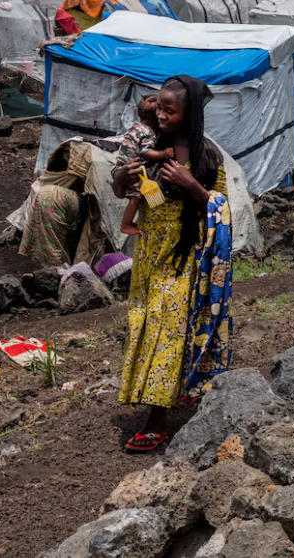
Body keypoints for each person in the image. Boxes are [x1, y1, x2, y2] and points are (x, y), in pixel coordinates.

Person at [112, 75, 234, 453]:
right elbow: (123, 191)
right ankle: (171, 393)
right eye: (159, 108)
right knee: (148, 327)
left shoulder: (207, 156)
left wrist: (192, 185)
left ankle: (156, 420)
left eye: (170, 109)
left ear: (189, 113)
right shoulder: (151, 146)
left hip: (187, 256)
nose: (161, 115)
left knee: (168, 327)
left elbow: (222, 207)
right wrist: (122, 177)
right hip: (150, 253)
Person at [117, 95, 176, 236]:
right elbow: (145, 152)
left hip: (123, 164)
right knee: (135, 198)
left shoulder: (136, 127)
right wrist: (163, 154)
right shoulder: (148, 133)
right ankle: (125, 225)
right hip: (132, 170)